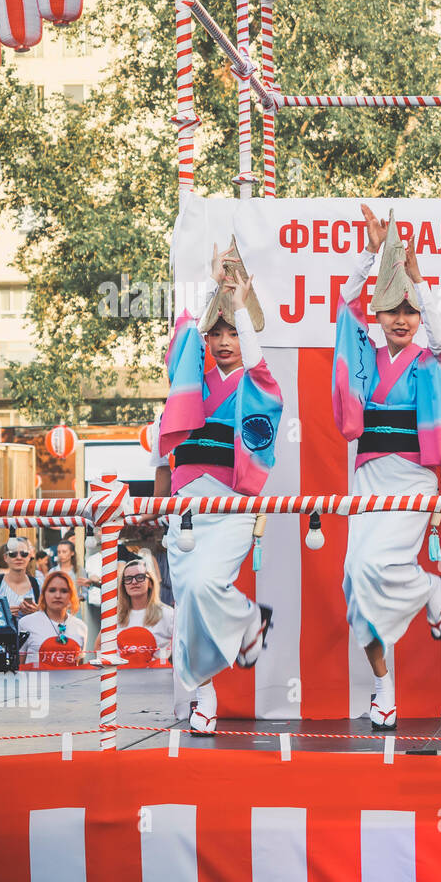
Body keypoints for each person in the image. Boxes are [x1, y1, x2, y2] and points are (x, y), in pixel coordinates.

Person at [333, 205, 441, 732]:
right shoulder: (364, 356)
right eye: (391, 311)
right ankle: (383, 685)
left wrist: (416, 281)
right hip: (367, 478)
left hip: (411, 479)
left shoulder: (429, 360)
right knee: (352, 581)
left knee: (373, 567)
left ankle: (431, 589)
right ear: (378, 316)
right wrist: (371, 255)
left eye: (409, 311)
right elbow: (343, 307)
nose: (402, 319)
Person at [153, 239, 282, 736]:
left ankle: (248, 618)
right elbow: (183, 328)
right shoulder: (191, 375)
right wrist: (212, 284)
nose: (224, 340)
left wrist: (239, 303)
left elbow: (258, 366)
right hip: (185, 508)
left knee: (208, 586)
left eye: (232, 331)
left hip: (230, 505)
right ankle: (204, 698)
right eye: (218, 331)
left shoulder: (253, 381)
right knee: (187, 607)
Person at [18, 569, 88, 668]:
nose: (57, 596)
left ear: (71, 595)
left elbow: (79, 666)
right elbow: (19, 666)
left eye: (64, 591)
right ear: (44, 594)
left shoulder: (81, 627)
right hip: (35, 683)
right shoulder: (26, 623)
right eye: (52, 590)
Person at [116, 556, 175, 667]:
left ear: (150, 582)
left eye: (140, 577)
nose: (134, 582)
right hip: (122, 680)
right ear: (123, 585)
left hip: (158, 680)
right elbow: (99, 647)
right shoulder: (115, 617)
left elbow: (184, 648)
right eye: (128, 579)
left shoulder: (168, 614)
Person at [0, 536, 40, 620]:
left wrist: (37, 611)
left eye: (23, 554)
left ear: (29, 557)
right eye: (13, 554)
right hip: (2, 632)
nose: (19, 557)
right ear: (5, 558)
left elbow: (51, 615)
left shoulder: (39, 584)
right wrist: (1, 613)